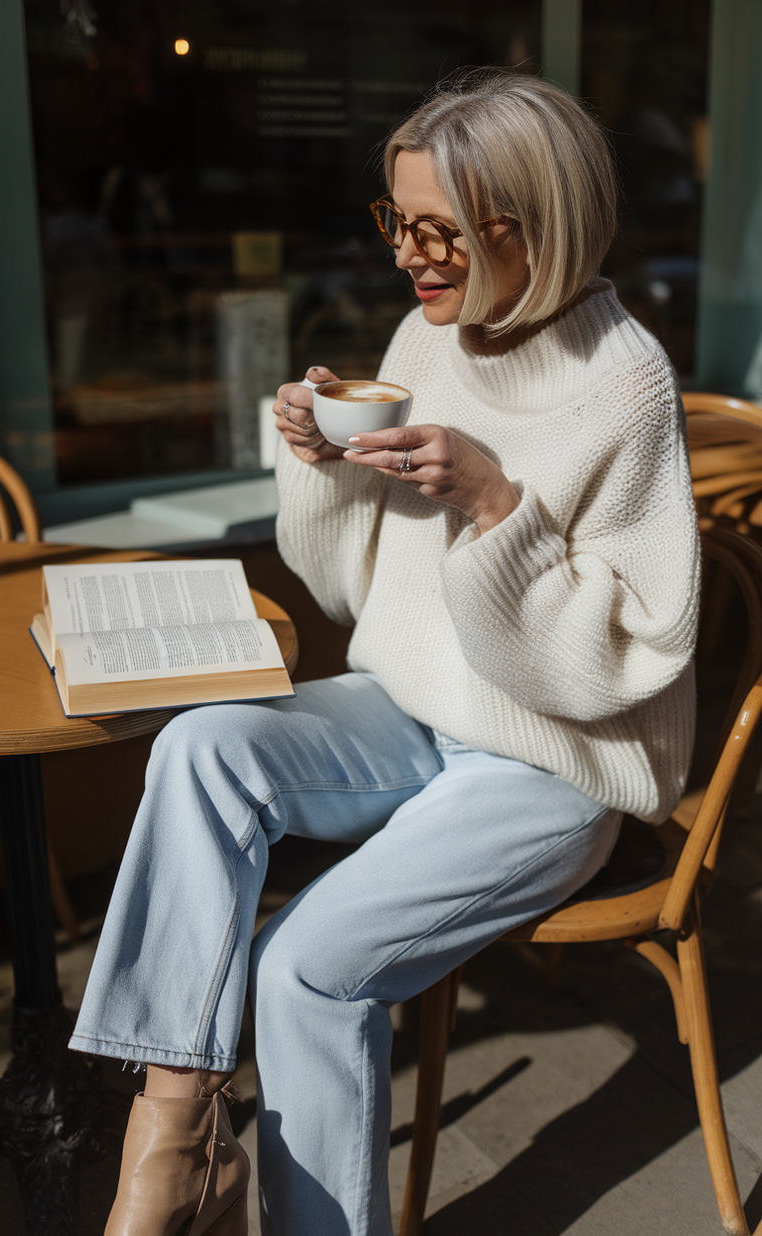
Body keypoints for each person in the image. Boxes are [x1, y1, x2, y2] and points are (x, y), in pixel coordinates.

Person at [70, 69, 699, 1236]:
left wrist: (495, 507)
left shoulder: (624, 384)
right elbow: (356, 592)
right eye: (395, 220)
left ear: (534, 222)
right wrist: (315, 467)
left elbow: (627, 659)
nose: (409, 256)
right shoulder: (425, 334)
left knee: (303, 971)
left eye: (438, 229)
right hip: (407, 712)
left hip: (549, 764)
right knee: (203, 744)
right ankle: (171, 1132)